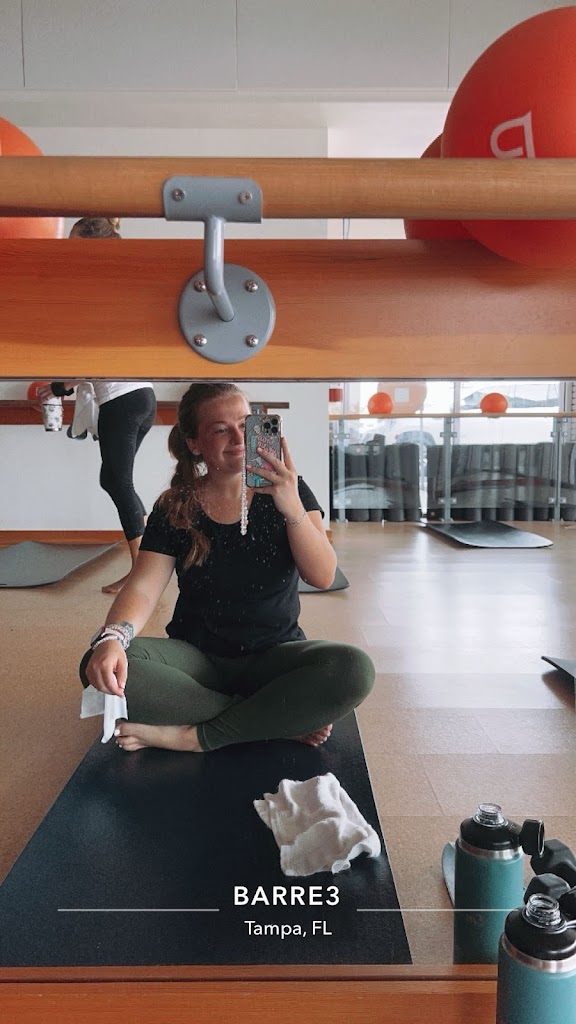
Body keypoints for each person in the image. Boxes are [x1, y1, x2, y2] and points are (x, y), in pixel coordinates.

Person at [81, 382, 375, 754]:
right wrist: (113, 638)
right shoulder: (175, 506)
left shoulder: (292, 491)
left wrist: (291, 507)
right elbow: (143, 588)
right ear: (194, 443)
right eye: (221, 429)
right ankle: (270, 720)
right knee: (99, 664)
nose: (238, 438)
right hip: (197, 662)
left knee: (353, 668)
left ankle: (192, 736)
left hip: (274, 658)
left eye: (245, 424)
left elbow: (323, 576)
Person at [38, 217, 157, 593]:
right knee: (112, 479)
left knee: (119, 481)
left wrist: (58, 387)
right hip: (142, 396)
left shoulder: (100, 290)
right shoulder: (111, 286)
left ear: (89, 244)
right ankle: (150, 560)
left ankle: (142, 572)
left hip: (122, 400)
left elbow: (96, 362)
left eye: (72, 242)